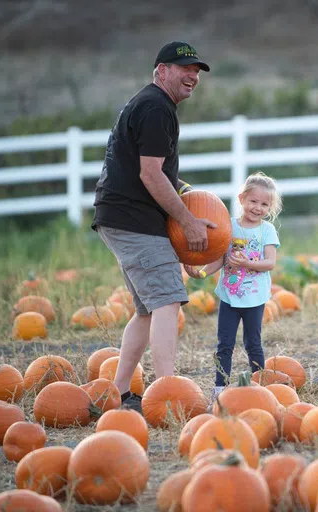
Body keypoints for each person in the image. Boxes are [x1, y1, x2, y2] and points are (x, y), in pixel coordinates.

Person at [91, 41, 214, 412]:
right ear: (161, 71)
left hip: (121, 216)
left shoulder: (150, 104)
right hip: (133, 219)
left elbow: (153, 172)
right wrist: (188, 222)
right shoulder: (157, 107)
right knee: (167, 301)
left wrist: (188, 198)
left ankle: (119, 393)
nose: (192, 75)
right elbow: (150, 175)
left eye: (196, 70)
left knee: (147, 309)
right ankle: (167, 394)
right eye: (184, 68)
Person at [184, 172, 282, 401]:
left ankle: (260, 386)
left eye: (264, 204)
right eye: (253, 201)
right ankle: (220, 389)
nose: (258, 208)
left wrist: (247, 263)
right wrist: (201, 272)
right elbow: (219, 259)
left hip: (255, 298)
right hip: (229, 296)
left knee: (253, 343)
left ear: (270, 207)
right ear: (242, 199)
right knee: (224, 344)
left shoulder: (267, 230)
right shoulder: (229, 227)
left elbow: (270, 262)